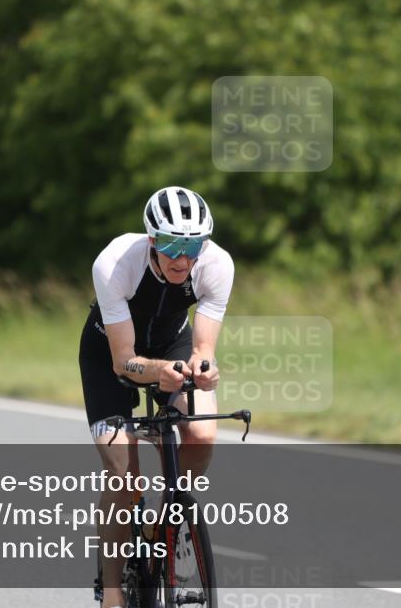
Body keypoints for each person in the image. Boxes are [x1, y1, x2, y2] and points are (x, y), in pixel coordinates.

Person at [79, 185, 234, 608]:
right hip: (111, 353)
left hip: (172, 345)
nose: (183, 259)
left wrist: (203, 369)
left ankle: (167, 523)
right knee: (123, 473)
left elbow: (203, 348)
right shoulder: (114, 264)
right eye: (170, 246)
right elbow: (123, 360)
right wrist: (157, 373)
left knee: (202, 434)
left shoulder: (217, 264)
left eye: (193, 246)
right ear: (152, 241)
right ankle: (112, 591)